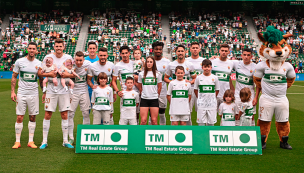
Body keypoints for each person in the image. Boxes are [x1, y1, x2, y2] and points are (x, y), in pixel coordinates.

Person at [38, 38, 75, 149]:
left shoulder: (68, 58)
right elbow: (40, 73)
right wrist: (51, 75)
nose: (58, 48)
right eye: (57, 46)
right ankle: (44, 141)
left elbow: (73, 74)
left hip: (64, 90)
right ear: (54, 46)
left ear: (64, 47)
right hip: (51, 90)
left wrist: (65, 76)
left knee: (64, 115)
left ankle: (65, 141)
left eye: (60, 46)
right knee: (47, 114)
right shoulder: (48, 57)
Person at [11, 42, 42, 149]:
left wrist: (44, 92)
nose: (32, 50)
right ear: (27, 49)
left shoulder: (39, 63)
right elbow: (14, 76)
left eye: (34, 48)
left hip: (33, 93)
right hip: (21, 93)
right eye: (30, 48)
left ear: (36, 50)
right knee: (19, 116)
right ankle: (17, 141)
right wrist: (12, 92)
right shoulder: (19, 62)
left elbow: (41, 79)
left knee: (32, 117)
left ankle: (30, 141)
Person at [164, 44, 196, 125]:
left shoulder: (190, 65)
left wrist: (190, 82)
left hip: (187, 93)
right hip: (175, 94)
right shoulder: (171, 65)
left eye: (182, 51)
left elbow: (195, 78)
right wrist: (172, 82)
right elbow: (165, 78)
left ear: (185, 52)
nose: (180, 53)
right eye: (179, 51)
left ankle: (188, 134)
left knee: (187, 118)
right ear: (175, 52)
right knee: (174, 121)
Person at [68, 51, 91, 145]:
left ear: (84, 59)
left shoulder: (88, 65)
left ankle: (86, 135)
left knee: (86, 113)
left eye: (80, 60)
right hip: (73, 92)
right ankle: (70, 137)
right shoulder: (70, 64)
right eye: (77, 60)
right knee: (70, 114)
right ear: (74, 59)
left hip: (84, 91)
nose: (78, 62)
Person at [112, 46, 141, 121]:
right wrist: (117, 92)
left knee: (136, 115)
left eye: (126, 53)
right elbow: (113, 81)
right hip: (124, 93)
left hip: (136, 93)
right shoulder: (117, 66)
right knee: (124, 116)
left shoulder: (134, 63)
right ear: (120, 54)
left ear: (129, 53)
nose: (125, 55)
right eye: (123, 53)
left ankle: (135, 130)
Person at [232, 48, 256, 126]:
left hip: (250, 96)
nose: (246, 57)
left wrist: (256, 97)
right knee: (237, 116)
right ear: (241, 56)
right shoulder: (236, 64)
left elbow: (258, 84)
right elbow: (223, 62)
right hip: (238, 95)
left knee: (251, 116)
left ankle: (252, 134)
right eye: (244, 55)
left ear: (251, 56)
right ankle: (236, 134)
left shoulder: (255, 67)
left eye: (248, 55)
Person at [194, 59, 219, 126]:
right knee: (201, 123)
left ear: (211, 67)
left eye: (208, 67)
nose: (206, 68)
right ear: (202, 67)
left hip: (212, 104)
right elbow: (195, 89)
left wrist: (212, 98)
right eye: (205, 67)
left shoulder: (215, 78)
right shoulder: (198, 78)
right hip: (201, 104)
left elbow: (217, 90)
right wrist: (200, 98)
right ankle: (201, 136)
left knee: (211, 123)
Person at [138, 56, 162, 125]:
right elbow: (140, 87)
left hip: (154, 99)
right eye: (147, 62)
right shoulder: (141, 74)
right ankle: (142, 135)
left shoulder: (158, 74)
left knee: (154, 121)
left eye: (151, 62)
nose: (149, 63)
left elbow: (159, 87)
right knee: (143, 120)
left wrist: (156, 95)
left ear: (153, 63)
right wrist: (144, 94)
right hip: (144, 99)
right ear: (145, 63)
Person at [211, 44, 234, 110]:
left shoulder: (231, 63)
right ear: (219, 51)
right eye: (222, 50)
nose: (224, 52)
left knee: (225, 116)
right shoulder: (212, 62)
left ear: (228, 52)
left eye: (226, 51)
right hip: (213, 94)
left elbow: (229, 77)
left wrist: (232, 90)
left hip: (225, 95)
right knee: (212, 116)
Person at [153, 41, 170, 125]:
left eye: (160, 49)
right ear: (153, 50)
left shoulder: (167, 62)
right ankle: (150, 130)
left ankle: (162, 130)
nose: (158, 51)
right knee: (151, 114)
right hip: (150, 92)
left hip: (163, 91)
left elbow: (170, 76)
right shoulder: (149, 61)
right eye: (156, 49)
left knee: (162, 113)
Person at [186, 42, 205, 113]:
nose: (195, 49)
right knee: (188, 111)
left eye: (196, 48)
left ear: (199, 49)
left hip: (200, 89)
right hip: (189, 88)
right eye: (193, 48)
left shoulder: (204, 60)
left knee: (201, 112)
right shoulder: (186, 61)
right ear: (190, 49)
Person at [85, 42, 99, 111]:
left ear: (96, 49)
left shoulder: (100, 60)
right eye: (90, 48)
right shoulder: (84, 60)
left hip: (98, 89)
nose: (92, 50)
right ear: (88, 49)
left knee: (100, 110)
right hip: (87, 89)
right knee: (87, 111)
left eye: (94, 48)